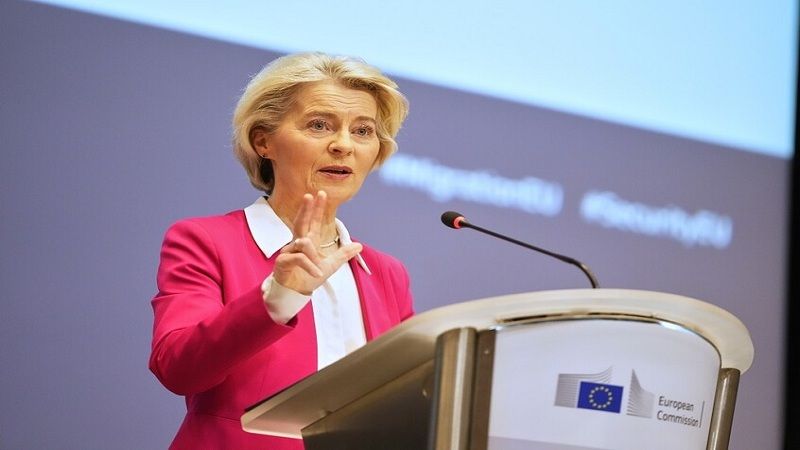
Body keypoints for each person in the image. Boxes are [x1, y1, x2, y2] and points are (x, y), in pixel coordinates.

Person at [149, 52, 413, 449]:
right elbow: (178, 369)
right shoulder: (206, 240)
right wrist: (280, 296)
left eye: (363, 131)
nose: (343, 145)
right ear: (263, 141)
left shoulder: (386, 273)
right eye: (319, 125)